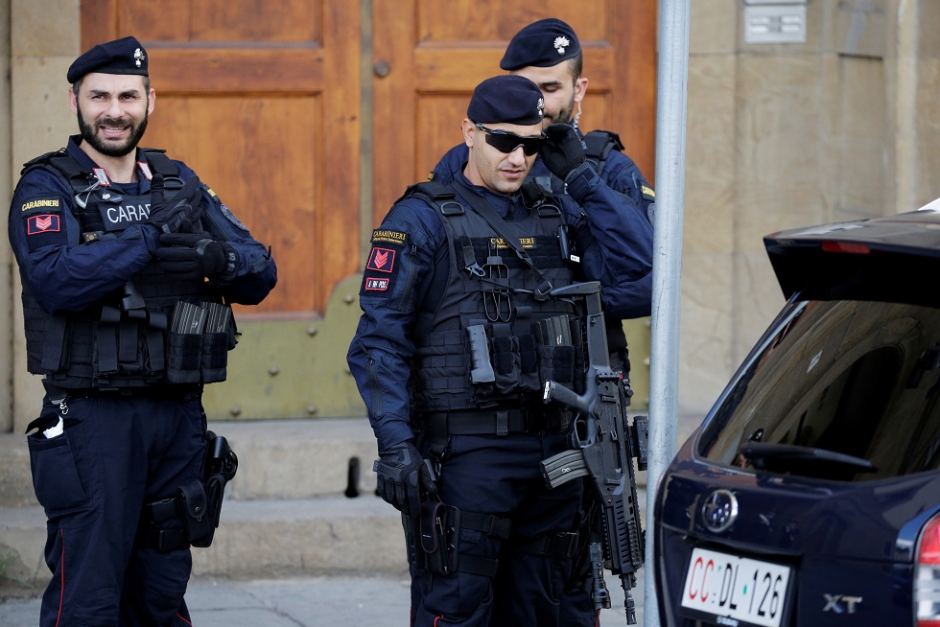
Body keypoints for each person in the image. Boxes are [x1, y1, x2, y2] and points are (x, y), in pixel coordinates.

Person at [348, 74, 652, 626]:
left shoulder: (559, 213)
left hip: (558, 456)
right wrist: (396, 446)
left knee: (555, 611)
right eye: (503, 142)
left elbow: (646, 273)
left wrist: (581, 177)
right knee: (460, 611)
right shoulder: (422, 219)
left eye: (532, 145)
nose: (517, 158)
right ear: (469, 131)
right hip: (469, 459)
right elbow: (377, 344)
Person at [8, 36, 276, 626]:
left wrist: (217, 259)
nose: (114, 110)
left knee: (161, 591)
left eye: (128, 96)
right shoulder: (48, 187)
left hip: (177, 415)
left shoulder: (178, 183)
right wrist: (149, 240)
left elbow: (260, 270)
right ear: (76, 100)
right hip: (93, 419)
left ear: (150, 100)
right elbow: (56, 279)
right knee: (90, 593)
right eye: (99, 95)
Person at [431, 19, 655, 624]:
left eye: (552, 88)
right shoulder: (471, 159)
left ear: (579, 91)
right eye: (527, 86)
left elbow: (652, 276)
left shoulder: (606, 167)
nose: (540, 103)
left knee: (564, 586)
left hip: (582, 401)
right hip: (494, 407)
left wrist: (568, 292)